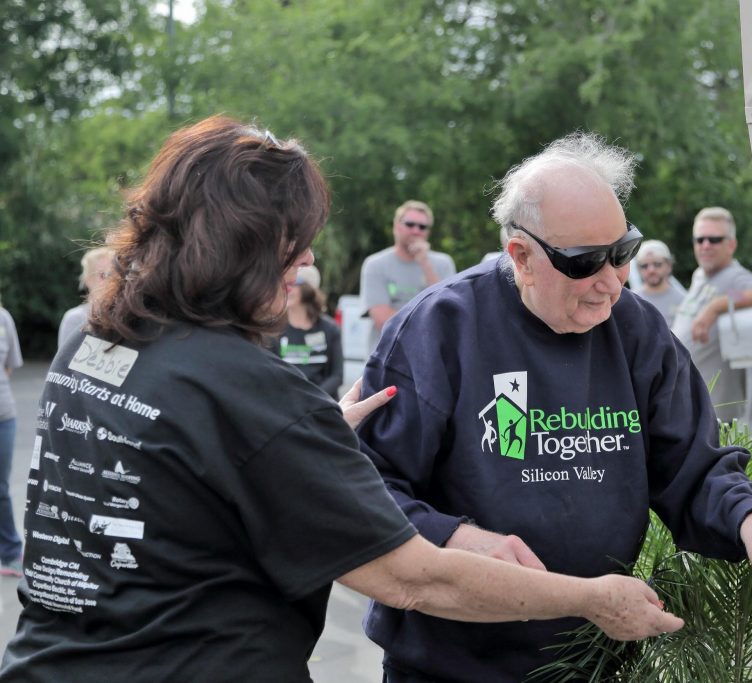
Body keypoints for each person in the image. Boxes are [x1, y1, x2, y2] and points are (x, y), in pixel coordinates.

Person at [0, 117, 682, 683]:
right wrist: (592, 598)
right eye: (294, 247)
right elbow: (417, 580)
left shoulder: (93, 343)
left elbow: (179, 468)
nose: (305, 267)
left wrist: (305, 434)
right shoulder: (249, 393)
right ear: (237, 247)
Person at [357, 133, 752, 682]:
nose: (611, 282)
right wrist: (454, 536)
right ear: (522, 257)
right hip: (450, 665)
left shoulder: (637, 330)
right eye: (586, 262)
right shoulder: (438, 330)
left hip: (599, 658)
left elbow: (694, 466)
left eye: (623, 252)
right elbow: (365, 490)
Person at [670, 206, 752, 422]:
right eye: (700, 240)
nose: (706, 245)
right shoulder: (700, 275)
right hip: (686, 404)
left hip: (715, 413)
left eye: (714, 239)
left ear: (731, 245)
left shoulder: (734, 278)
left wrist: (717, 305)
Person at [360, 200, 456, 348]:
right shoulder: (375, 264)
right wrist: (430, 323)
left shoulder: (444, 263)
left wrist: (425, 263)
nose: (416, 231)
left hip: (431, 354)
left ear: (428, 232)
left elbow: (447, 309)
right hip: (388, 354)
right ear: (396, 226)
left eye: (422, 227)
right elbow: (383, 321)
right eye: (410, 224)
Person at [272, 264, 345, 398]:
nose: (287, 289)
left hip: (323, 403)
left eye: (293, 284)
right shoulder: (274, 329)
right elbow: (272, 373)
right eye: (284, 284)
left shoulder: (330, 328)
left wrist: (313, 399)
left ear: (308, 289)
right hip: (288, 403)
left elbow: (337, 376)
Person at [0, 294, 23, 578]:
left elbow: (8, 367)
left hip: (3, 415)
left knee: (0, 489)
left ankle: (10, 552)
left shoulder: (3, 318)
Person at [57, 246, 114, 349]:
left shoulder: (125, 317)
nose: (111, 280)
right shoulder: (75, 318)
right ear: (88, 280)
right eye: (103, 275)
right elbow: (67, 357)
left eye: (114, 274)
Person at [633, 239, 685, 322]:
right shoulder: (631, 300)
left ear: (669, 266)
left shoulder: (683, 301)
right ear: (638, 269)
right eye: (644, 266)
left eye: (657, 264)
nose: (651, 270)